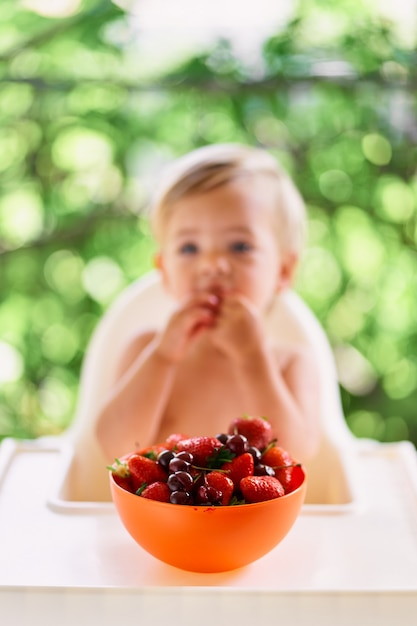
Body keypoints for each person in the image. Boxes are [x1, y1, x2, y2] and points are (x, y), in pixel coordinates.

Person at [95, 143, 321, 464]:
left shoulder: (290, 364)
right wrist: (162, 357)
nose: (212, 264)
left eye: (240, 246)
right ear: (165, 272)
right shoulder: (146, 351)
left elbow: (293, 460)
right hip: (162, 515)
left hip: (252, 515)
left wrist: (252, 358)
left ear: (283, 270)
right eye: (189, 248)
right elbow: (114, 449)